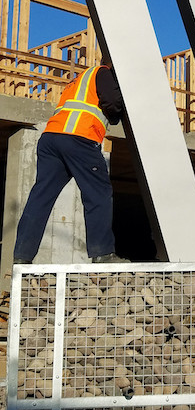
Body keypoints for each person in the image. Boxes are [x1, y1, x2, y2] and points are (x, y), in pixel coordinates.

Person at [13, 59, 124, 264]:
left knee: (41, 197)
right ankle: (102, 254)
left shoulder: (78, 80)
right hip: (79, 137)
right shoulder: (102, 73)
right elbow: (113, 102)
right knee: (98, 193)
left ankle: (22, 256)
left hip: (51, 138)